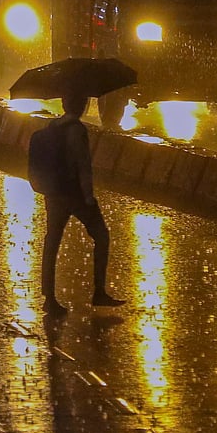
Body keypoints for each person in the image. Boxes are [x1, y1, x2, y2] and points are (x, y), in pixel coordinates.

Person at [40, 92, 126, 316]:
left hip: (53, 193)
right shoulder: (78, 131)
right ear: (83, 105)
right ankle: (99, 291)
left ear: (63, 102)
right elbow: (83, 165)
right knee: (101, 236)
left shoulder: (52, 127)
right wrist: (88, 196)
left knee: (52, 242)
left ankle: (49, 297)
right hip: (75, 195)